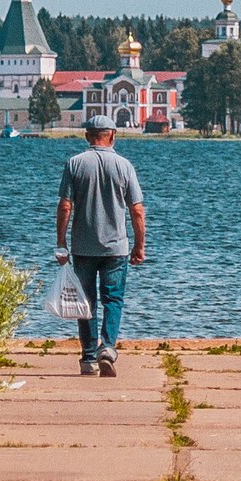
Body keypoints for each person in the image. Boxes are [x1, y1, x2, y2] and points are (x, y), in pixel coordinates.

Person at [56, 114, 146, 377]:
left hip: (83, 247)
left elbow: (65, 206)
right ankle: (107, 347)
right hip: (116, 248)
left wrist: (61, 243)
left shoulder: (74, 164)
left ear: (87, 136)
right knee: (113, 300)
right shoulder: (124, 166)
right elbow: (137, 211)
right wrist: (139, 245)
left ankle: (87, 358)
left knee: (86, 303)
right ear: (113, 135)